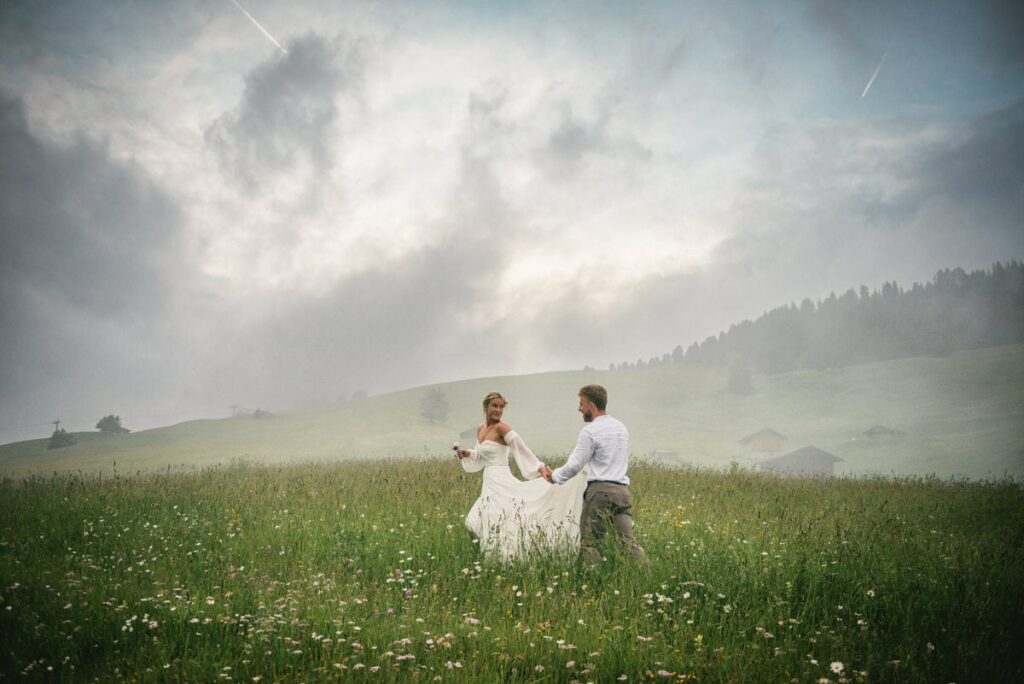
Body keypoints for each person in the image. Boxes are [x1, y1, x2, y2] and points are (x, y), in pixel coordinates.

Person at [456, 392, 588, 562]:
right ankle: (491, 556)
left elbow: (520, 447)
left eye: (501, 407)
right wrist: (467, 453)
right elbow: (481, 456)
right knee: (476, 521)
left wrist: (539, 468)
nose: (498, 410)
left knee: (503, 519)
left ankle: (509, 557)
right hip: (489, 480)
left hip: (501, 478)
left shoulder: (502, 428)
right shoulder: (480, 429)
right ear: (485, 407)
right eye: (494, 406)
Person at [541, 384, 649, 567]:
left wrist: (554, 476)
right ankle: (646, 577)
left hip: (599, 493)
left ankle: (593, 584)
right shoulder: (621, 428)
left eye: (581, 404)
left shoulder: (590, 431)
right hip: (622, 492)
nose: (579, 408)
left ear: (591, 405)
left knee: (590, 544)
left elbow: (575, 464)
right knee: (628, 542)